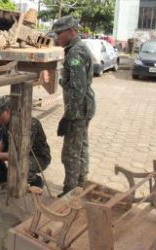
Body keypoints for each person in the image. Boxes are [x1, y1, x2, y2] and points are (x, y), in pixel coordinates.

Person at [51, 16, 96, 197]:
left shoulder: (75, 53)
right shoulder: (78, 48)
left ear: (71, 31)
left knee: (70, 153)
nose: (57, 37)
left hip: (78, 110)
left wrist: (68, 117)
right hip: (85, 106)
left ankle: (70, 192)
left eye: (60, 33)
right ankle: (81, 183)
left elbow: (78, 89)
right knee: (81, 147)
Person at [0, 96, 51, 188]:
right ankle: (2, 174)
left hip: (37, 157)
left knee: (22, 166)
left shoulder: (29, 123)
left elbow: (19, 155)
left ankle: (35, 180)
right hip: (17, 150)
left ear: (8, 110)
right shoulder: (2, 123)